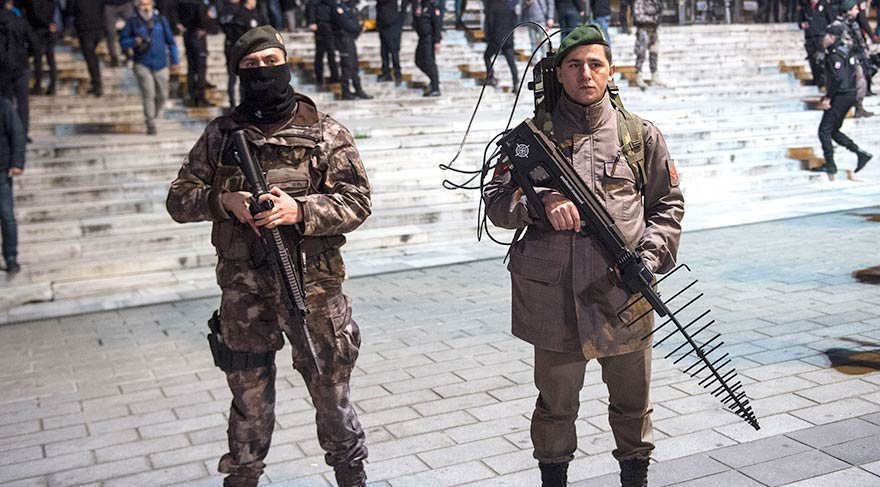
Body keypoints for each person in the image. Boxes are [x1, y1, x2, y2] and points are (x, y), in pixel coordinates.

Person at [166, 25, 371, 487]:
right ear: (238, 72)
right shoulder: (221, 135)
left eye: (271, 61)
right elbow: (180, 198)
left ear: (287, 63)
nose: (263, 72)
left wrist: (299, 209)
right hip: (244, 292)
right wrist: (226, 202)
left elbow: (357, 200)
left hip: (311, 289)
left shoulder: (324, 132)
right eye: (251, 66)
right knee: (248, 399)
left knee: (330, 394)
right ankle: (243, 475)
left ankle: (350, 474)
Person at [482, 24, 684, 487]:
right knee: (556, 406)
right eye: (574, 65)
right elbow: (495, 200)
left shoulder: (639, 135)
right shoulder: (528, 140)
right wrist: (539, 205)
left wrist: (650, 259)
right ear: (558, 72)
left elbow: (667, 205)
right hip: (555, 302)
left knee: (633, 404)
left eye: (595, 64)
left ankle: (636, 477)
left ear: (611, 72)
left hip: (624, 295)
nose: (585, 74)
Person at [810, 2, 873, 174]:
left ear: (833, 37)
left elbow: (838, 78)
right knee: (833, 131)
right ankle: (860, 153)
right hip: (848, 94)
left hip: (842, 95)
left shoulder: (835, 55)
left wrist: (828, 98)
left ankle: (830, 165)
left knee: (824, 131)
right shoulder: (843, 52)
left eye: (828, 36)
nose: (825, 38)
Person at [120, 0, 180, 134]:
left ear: (152, 5)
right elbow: (123, 41)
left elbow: (170, 41)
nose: (145, 7)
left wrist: (175, 60)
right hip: (142, 63)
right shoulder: (132, 21)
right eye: (142, 4)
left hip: (161, 63)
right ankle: (150, 122)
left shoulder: (160, 19)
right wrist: (133, 41)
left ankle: (154, 115)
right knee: (149, 93)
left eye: (147, 3)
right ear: (138, 6)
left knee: (163, 94)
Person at [826, 0, 873, 117]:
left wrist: (864, 53)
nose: (857, 11)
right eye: (855, 9)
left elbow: (859, 41)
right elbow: (833, 43)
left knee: (861, 82)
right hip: (842, 60)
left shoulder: (854, 24)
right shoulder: (837, 25)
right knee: (844, 84)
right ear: (848, 10)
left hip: (855, 58)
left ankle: (858, 106)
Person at [220, 0, 265, 108]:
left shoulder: (256, 13)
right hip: (237, 50)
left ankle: (246, 101)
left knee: (248, 77)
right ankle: (233, 103)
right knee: (234, 76)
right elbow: (237, 34)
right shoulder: (239, 15)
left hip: (250, 51)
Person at [0, 0, 34, 138]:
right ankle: (23, 133)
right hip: (21, 64)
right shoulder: (20, 21)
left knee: (6, 100)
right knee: (23, 102)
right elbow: (34, 43)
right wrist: (26, 54)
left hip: (2, 66)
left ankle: (8, 131)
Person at [0, 98, 24, 275]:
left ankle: (11, 259)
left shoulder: (4, 106)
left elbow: (17, 133)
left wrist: (17, 163)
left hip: (1, 170)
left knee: (6, 215)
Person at [332, 0, 372, 99]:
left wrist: (359, 27)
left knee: (354, 66)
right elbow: (346, 23)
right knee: (347, 66)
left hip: (350, 39)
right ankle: (346, 92)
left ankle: (358, 89)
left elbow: (354, 20)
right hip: (343, 40)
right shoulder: (338, 7)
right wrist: (358, 28)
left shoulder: (349, 6)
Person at [178, 0, 213, 106]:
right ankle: (201, 97)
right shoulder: (199, 3)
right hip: (197, 35)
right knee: (201, 68)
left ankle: (192, 96)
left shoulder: (182, 3)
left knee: (191, 68)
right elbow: (201, 16)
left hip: (187, 34)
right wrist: (205, 26)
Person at [67, 0, 105, 96]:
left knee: (90, 58)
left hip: (85, 29)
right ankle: (97, 83)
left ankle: (97, 84)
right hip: (98, 27)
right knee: (93, 58)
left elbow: (70, 10)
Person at [22, 0, 59, 96]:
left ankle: (39, 86)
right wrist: (51, 25)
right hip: (48, 30)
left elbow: (35, 13)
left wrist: (48, 25)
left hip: (40, 31)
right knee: (50, 60)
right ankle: (52, 86)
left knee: (39, 61)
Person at [484, 0, 518, 88]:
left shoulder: (492, 7)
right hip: (508, 39)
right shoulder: (509, 7)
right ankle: (516, 82)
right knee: (511, 62)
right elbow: (515, 22)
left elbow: (489, 23)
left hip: (496, 39)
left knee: (487, 56)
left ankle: (491, 77)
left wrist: (488, 37)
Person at [800, 0, 832, 89]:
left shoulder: (824, 5)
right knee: (812, 60)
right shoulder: (805, 7)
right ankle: (817, 80)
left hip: (821, 36)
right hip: (810, 37)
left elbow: (830, 20)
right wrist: (802, 24)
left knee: (822, 60)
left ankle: (824, 81)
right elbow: (800, 21)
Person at [306, 0, 339, 85]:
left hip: (330, 25)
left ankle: (335, 77)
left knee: (331, 53)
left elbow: (333, 7)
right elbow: (311, 6)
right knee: (320, 53)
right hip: (320, 24)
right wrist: (312, 21)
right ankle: (319, 77)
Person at [413, 0, 442, 96]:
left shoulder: (432, 7)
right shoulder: (420, 6)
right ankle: (434, 80)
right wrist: (417, 16)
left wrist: (437, 41)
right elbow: (416, 23)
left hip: (429, 39)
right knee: (418, 61)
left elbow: (437, 25)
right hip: (422, 38)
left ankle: (435, 87)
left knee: (429, 62)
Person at [633, 0, 663, 89]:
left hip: (654, 31)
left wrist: (656, 19)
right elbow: (639, 17)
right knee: (641, 54)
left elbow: (659, 13)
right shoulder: (640, 2)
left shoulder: (655, 2)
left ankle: (655, 77)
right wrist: (652, 19)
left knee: (654, 54)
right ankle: (639, 76)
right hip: (643, 31)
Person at [376, 0, 403, 85]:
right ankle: (386, 72)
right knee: (383, 51)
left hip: (391, 23)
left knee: (393, 50)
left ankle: (397, 73)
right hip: (382, 22)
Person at [104, 0, 135, 67]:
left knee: (132, 29)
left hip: (126, 4)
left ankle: (129, 53)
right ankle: (113, 57)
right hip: (109, 5)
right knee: (110, 33)